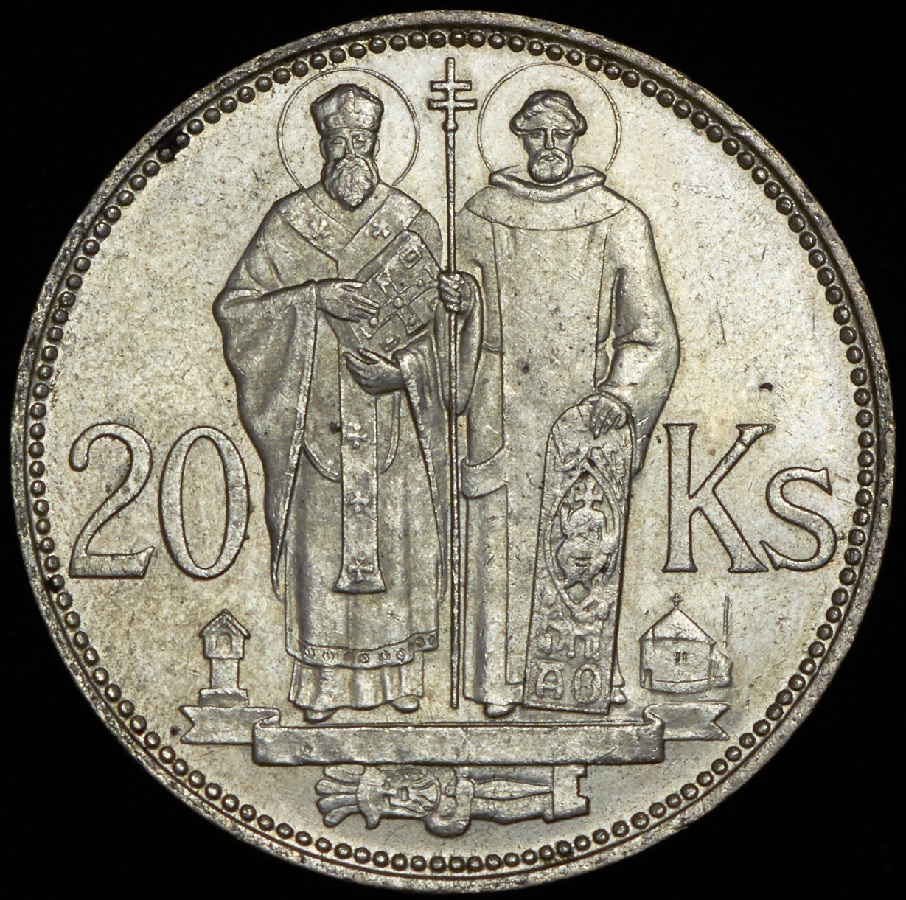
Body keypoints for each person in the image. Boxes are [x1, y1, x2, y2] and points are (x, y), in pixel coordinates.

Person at [440, 89, 679, 717]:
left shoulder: (619, 220)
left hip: (581, 413)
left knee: (584, 543)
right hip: (497, 406)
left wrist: (619, 394)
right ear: (520, 137)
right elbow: (448, 325)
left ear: (576, 137)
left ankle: (590, 678)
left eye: (560, 134)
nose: (548, 146)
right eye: (536, 134)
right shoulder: (478, 215)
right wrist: (459, 309)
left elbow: (650, 332)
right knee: (499, 543)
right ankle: (497, 680)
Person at [214, 84, 448, 722]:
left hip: (394, 422)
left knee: (399, 547)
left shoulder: (412, 221)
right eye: (337, 140)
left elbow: (450, 339)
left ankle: (401, 680)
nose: (349, 152)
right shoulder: (287, 221)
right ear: (321, 145)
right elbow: (238, 311)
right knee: (319, 553)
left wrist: (407, 371)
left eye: (360, 139)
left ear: (377, 144)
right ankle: (320, 688)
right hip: (316, 423)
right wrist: (314, 297)